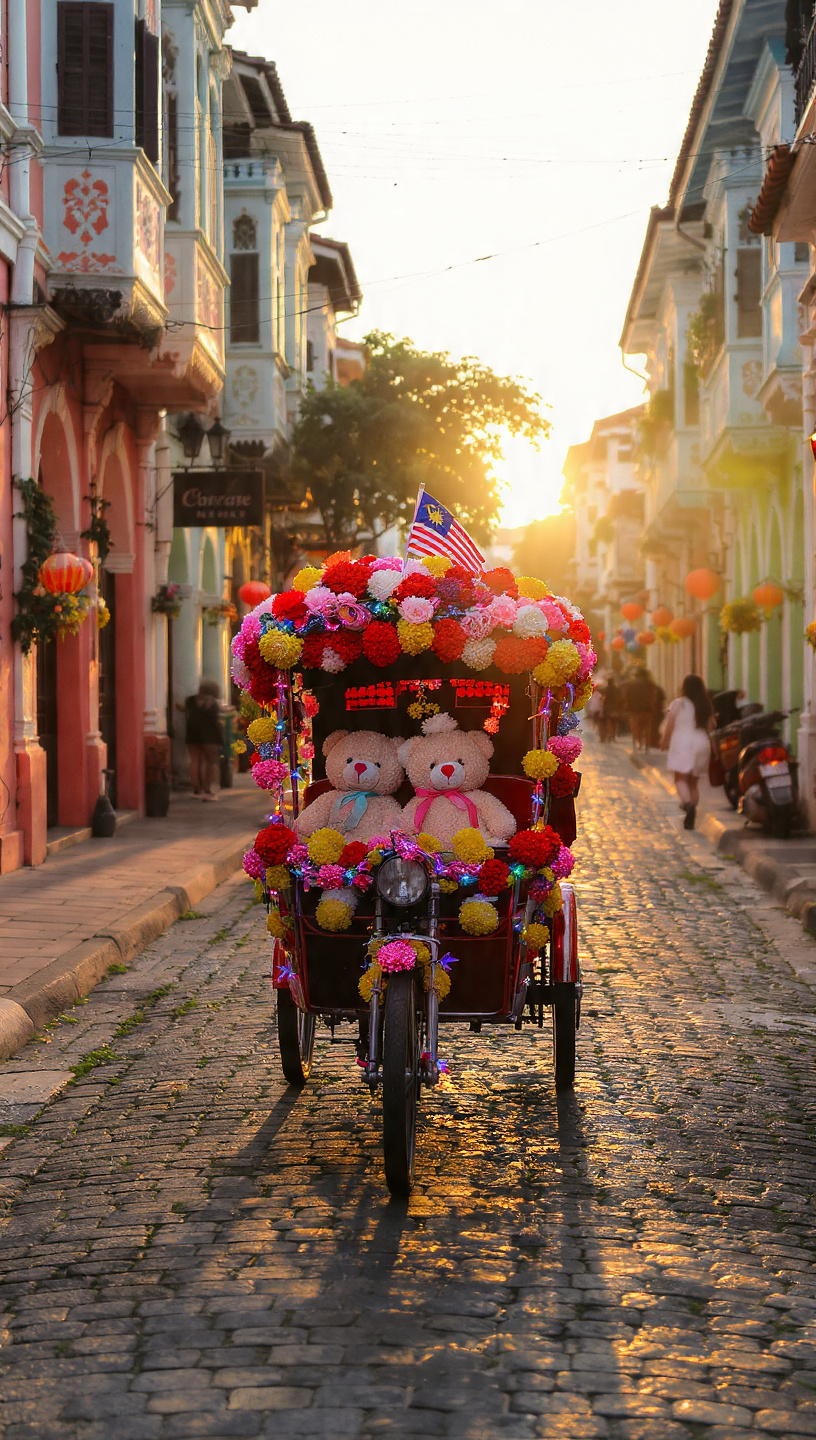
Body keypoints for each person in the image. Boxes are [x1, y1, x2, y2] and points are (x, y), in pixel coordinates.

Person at [660, 673, 714, 830]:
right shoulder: (705, 704)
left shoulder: (679, 704)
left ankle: (687, 804)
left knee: (680, 778)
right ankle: (692, 808)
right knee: (693, 781)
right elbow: (710, 727)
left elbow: (669, 725)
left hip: (682, 742)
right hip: (701, 742)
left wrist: (664, 741)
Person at [183, 680, 224, 801]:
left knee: (194, 761)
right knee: (211, 762)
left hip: (192, 734)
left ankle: (196, 790)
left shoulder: (190, 701)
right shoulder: (212, 703)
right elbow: (215, 717)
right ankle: (207, 790)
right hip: (210, 735)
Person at [624, 665, 662, 751]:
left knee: (636, 728)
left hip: (635, 710)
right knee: (647, 728)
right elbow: (655, 696)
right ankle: (646, 745)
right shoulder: (651, 684)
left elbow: (627, 697)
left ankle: (637, 744)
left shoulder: (632, 685)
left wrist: (627, 707)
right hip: (647, 710)